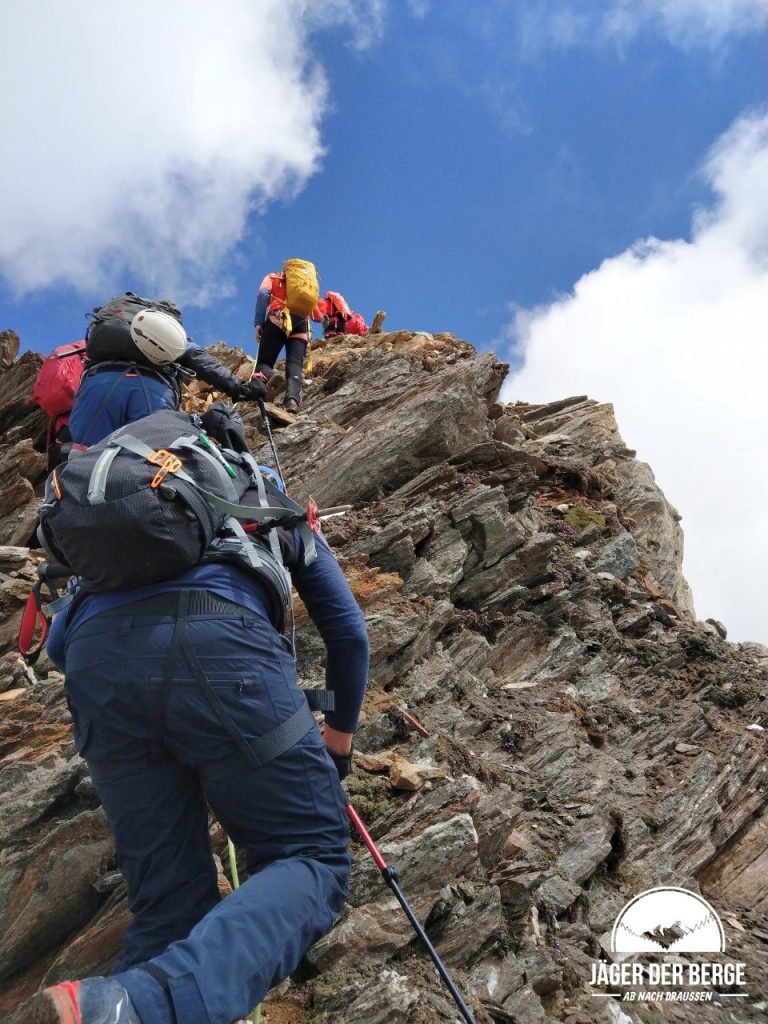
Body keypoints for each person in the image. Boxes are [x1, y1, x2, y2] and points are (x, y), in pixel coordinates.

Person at [26, 406, 369, 1024]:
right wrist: (338, 744)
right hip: (224, 648)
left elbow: (56, 645)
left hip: (98, 669)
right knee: (312, 855)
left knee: (166, 905)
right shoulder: (262, 491)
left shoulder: (125, 520)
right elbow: (347, 633)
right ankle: (144, 1005)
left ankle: (112, 1008)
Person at [69, 307, 265, 448]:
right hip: (150, 389)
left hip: (97, 384)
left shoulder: (111, 327)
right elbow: (199, 360)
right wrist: (239, 388)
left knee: (82, 461)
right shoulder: (166, 331)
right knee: (149, 463)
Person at [253, 272, 321, 415]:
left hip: (279, 318)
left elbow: (263, 295)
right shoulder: (304, 283)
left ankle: (271, 377)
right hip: (302, 324)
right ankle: (292, 401)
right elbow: (317, 316)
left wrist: (258, 323)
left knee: (263, 363)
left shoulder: (274, 277)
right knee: (295, 364)